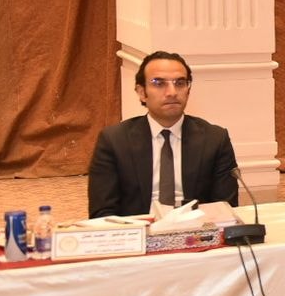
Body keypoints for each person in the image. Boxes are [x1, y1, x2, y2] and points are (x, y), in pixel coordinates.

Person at [87, 51, 238, 217]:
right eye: (159, 83)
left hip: (195, 228)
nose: (172, 92)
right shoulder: (114, 141)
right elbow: (102, 213)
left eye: (180, 83)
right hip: (139, 228)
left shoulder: (214, 139)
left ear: (188, 90)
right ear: (142, 92)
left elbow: (226, 208)